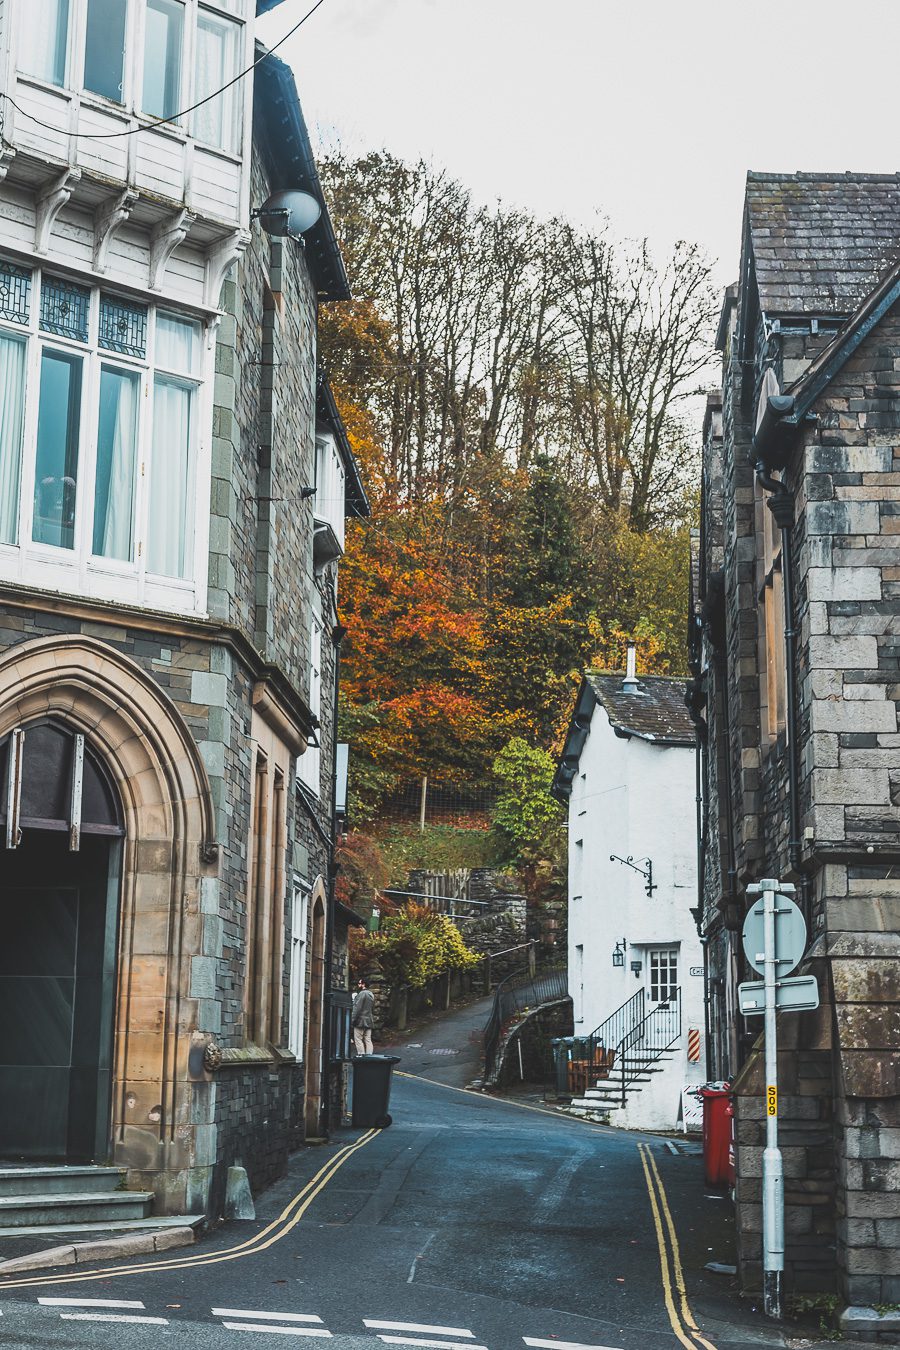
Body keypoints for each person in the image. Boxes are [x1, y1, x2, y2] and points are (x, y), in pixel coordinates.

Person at [352, 978, 375, 1055]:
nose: (358, 985)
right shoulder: (371, 994)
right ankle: (369, 1057)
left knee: (358, 1039)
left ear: (363, 984)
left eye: (359, 983)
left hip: (360, 1021)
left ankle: (362, 1057)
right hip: (369, 1021)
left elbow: (357, 1008)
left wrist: (352, 1019)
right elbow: (372, 1008)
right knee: (368, 1039)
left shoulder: (362, 994)